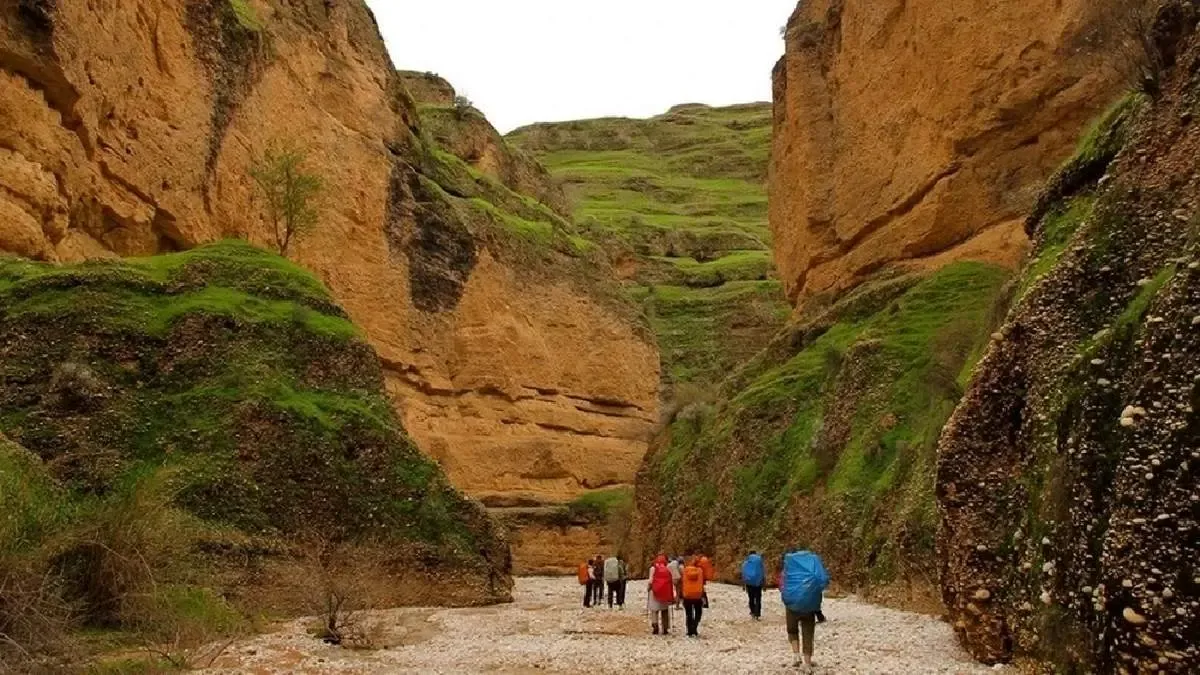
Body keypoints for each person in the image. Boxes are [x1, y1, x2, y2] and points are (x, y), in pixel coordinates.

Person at [778, 547, 830, 670]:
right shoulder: (814, 560)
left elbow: (782, 582)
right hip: (809, 604)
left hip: (792, 602)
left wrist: (787, 594)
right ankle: (807, 663)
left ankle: (796, 655)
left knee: (792, 629)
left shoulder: (789, 561)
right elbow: (823, 580)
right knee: (808, 632)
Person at [647, 554, 675, 634]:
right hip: (665, 592)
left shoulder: (653, 568)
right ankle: (665, 628)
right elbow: (671, 580)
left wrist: (648, 588)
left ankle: (655, 625)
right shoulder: (668, 568)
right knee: (665, 610)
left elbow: (650, 581)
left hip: (654, 591)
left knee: (654, 610)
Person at [680, 556, 707, 637]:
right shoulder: (700, 571)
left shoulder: (685, 571)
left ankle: (689, 631)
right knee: (698, 612)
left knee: (689, 613)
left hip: (687, 595)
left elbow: (682, 581)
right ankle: (695, 626)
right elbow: (703, 581)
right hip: (698, 595)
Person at [741, 550, 766, 620]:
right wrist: (764, 585)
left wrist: (743, 585)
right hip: (758, 583)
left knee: (751, 598)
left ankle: (752, 612)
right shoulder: (759, 562)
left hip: (749, 583)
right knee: (758, 599)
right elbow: (763, 573)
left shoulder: (746, 563)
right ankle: (757, 614)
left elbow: (743, 574)